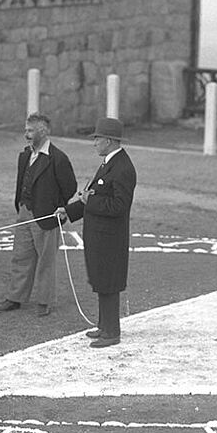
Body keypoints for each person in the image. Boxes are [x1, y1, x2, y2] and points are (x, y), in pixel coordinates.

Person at [59, 117, 136, 348]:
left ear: (110, 141)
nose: (94, 143)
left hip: (110, 238)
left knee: (108, 282)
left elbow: (118, 206)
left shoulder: (122, 168)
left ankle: (112, 333)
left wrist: (88, 202)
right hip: (99, 235)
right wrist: (68, 211)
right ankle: (105, 326)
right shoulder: (108, 163)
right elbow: (92, 198)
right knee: (102, 281)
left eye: (98, 139)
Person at [0, 113, 76, 317]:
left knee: (46, 260)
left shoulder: (58, 158)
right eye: (26, 130)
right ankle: (15, 298)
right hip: (24, 212)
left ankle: (44, 301)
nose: (26, 134)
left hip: (46, 217)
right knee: (20, 257)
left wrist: (54, 207)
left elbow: (70, 187)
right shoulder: (24, 155)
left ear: (43, 131)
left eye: (30, 131)